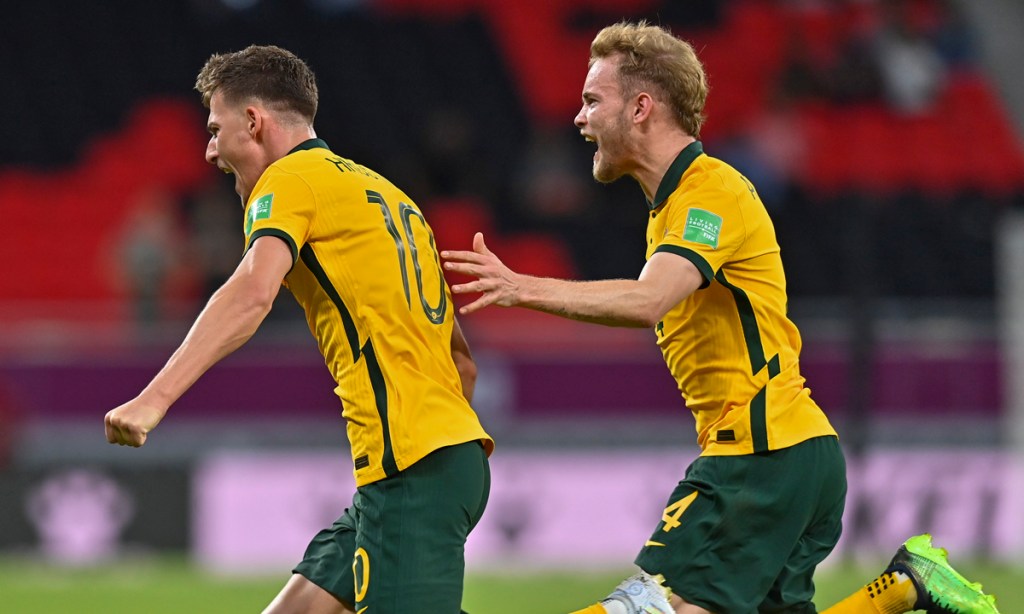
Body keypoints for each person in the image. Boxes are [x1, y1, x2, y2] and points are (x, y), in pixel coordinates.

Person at [441, 21, 998, 614]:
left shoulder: (711, 196)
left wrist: (520, 286)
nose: (579, 118)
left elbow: (648, 300)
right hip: (792, 453)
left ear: (641, 107)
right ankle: (905, 588)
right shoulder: (675, 208)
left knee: (658, 607)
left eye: (591, 101)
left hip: (761, 454)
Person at [104, 45, 493, 614]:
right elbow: (463, 362)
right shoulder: (391, 197)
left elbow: (252, 291)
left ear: (254, 122)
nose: (211, 149)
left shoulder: (289, 181)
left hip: (413, 466)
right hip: (438, 458)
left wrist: (152, 400)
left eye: (216, 129)